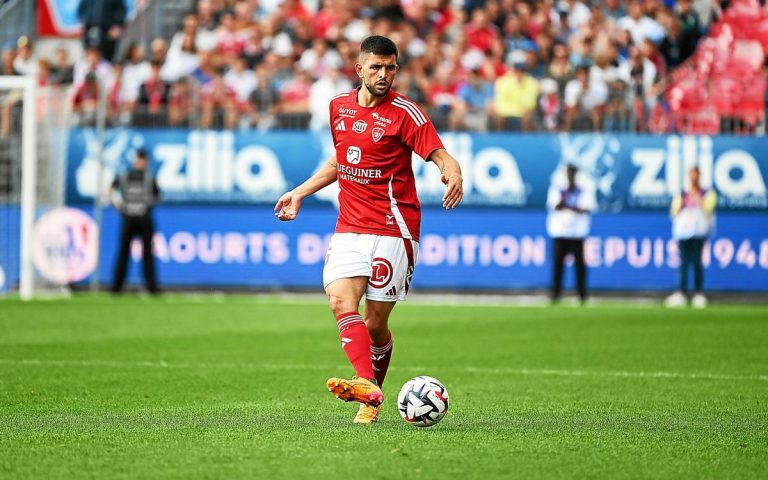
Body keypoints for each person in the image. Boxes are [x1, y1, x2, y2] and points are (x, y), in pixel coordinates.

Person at [274, 35, 463, 424]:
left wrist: (452, 170)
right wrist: (299, 193)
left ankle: (368, 387)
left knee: (376, 323)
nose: (384, 74)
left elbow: (439, 153)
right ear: (359, 69)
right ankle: (368, 389)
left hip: (395, 228)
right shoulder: (338, 108)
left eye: (390, 67)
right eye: (375, 67)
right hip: (350, 225)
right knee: (341, 301)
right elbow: (339, 162)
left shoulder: (406, 114)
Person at [110, 149, 161, 294]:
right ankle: (117, 287)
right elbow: (111, 190)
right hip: (129, 218)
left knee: (148, 253)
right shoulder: (125, 176)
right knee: (124, 252)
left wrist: (145, 206)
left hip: (144, 219)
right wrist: (119, 206)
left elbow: (157, 197)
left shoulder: (150, 178)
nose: (140, 163)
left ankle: (152, 287)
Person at [665, 166, 716, 308]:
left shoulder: (707, 193)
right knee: (683, 263)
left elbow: (709, 208)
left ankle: (698, 293)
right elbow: (674, 211)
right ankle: (681, 292)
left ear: (699, 176)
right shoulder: (682, 193)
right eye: (691, 175)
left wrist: (697, 197)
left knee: (697, 262)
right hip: (683, 232)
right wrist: (683, 200)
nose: (693, 178)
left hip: (699, 231)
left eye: (696, 175)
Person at [546, 163, 596, 304]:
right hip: (560, 232)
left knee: (580, 266)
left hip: (577, 233)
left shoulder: (584, 189)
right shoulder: (558, 188)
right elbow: (554, 206)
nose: (570, 176)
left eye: (572, 173)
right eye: (568, 173)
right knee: (558, 265)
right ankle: (555, 295)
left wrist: (570, 206)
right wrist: (566, 198)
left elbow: (587, 208)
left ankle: (582, 295)